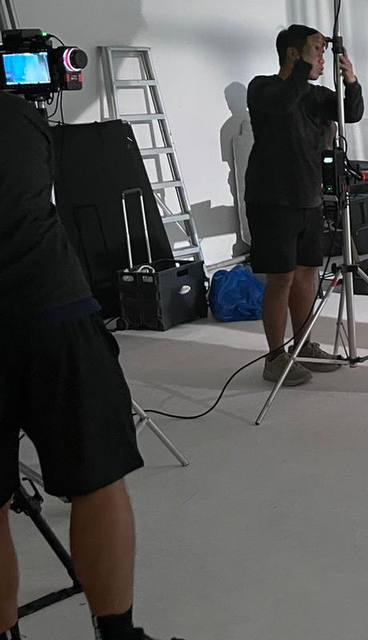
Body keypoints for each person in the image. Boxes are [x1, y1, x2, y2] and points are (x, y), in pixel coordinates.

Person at [0, 93, 183, 640]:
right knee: (96, 478)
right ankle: (118, 636)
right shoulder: (16, 117)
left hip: (48, 310)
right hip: (52, 308)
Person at [245, 24, 363, 386]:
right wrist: (302, 70)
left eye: (323, 52)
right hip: (272, 199)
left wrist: (351, 81)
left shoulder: (317, 95)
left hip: (309, 197)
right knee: (280, 277)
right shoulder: (262, 88)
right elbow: (283, 104)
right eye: (315, 51)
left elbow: (352, 113)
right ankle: (275, 357)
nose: (321, 59)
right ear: (293, 54)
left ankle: (303, 344)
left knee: (307, 273)